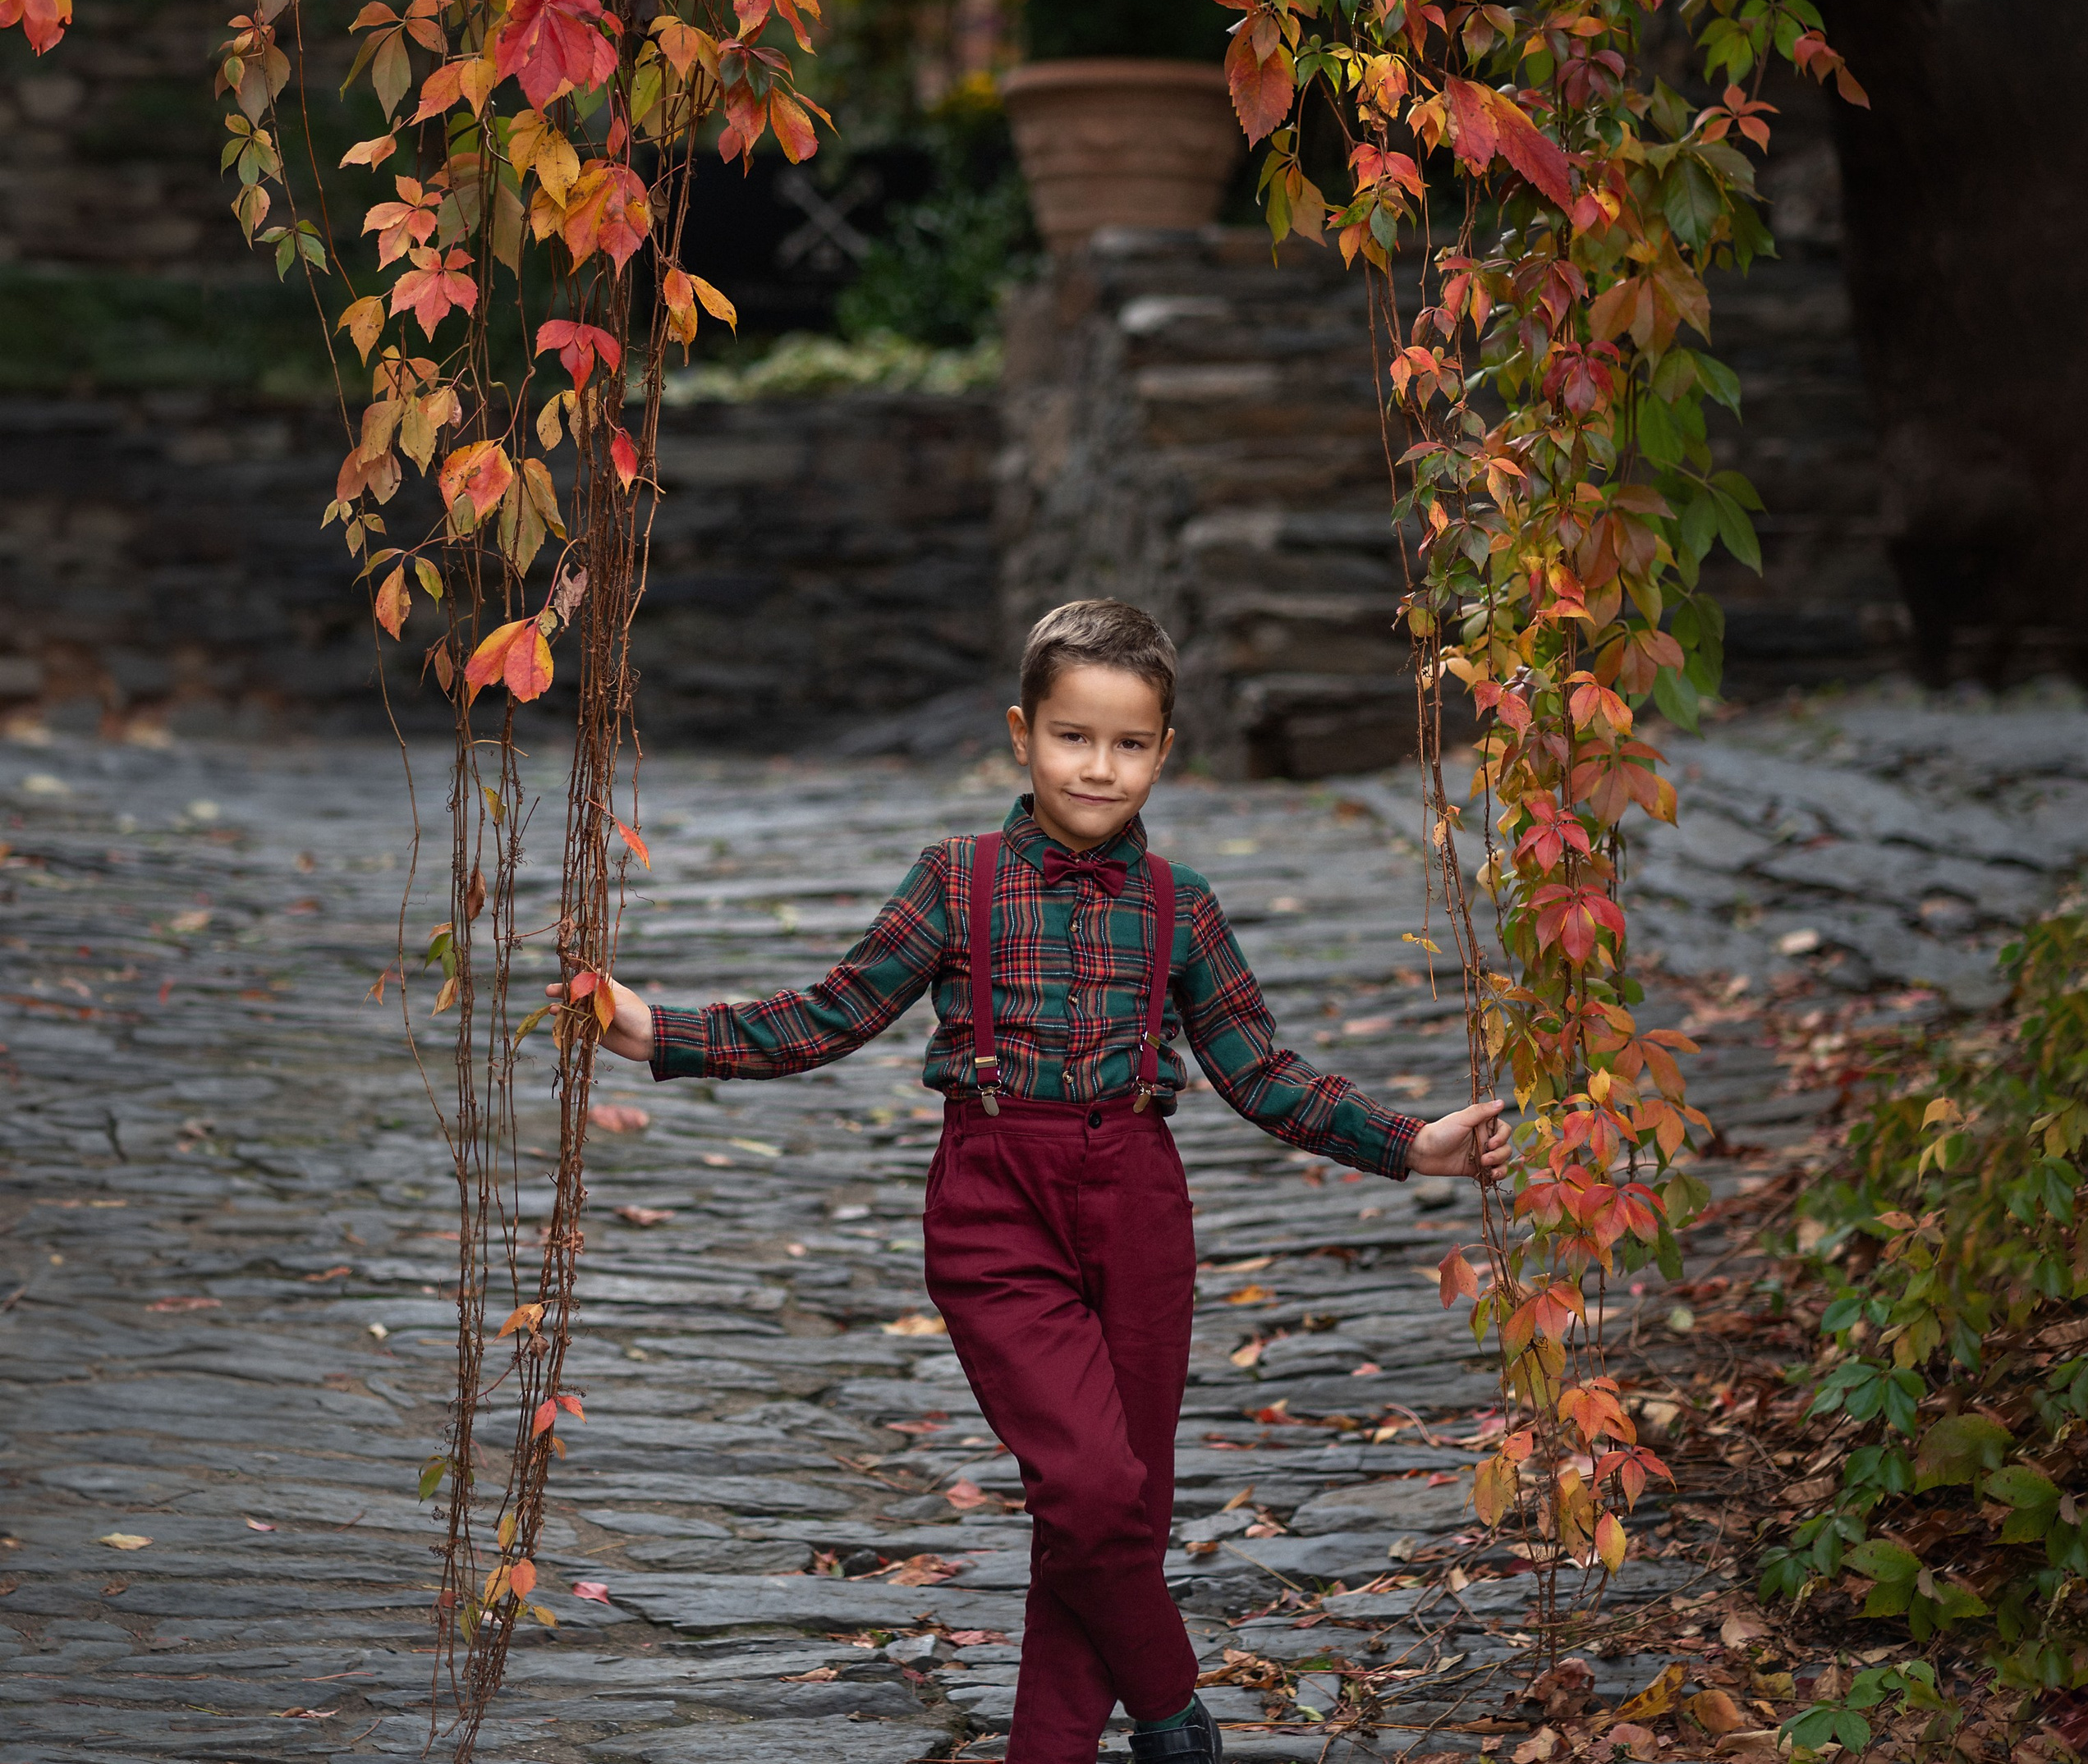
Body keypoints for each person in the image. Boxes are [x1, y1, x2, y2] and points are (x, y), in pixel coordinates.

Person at [564, 598, 1512, 1764]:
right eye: (1073, 737)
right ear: (1024, 734)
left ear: (1165, 751)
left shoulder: (1182, 906)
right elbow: (830, 1013)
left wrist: (1410, 1143)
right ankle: (1171, 1708)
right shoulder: (954, 880)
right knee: (1090, 1485)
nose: (1099, 767)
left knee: (1116, 1512)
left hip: (1139, 1209)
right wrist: (659, 1032)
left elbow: (1260, 1071)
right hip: (993, 1205)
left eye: (1129, 744)